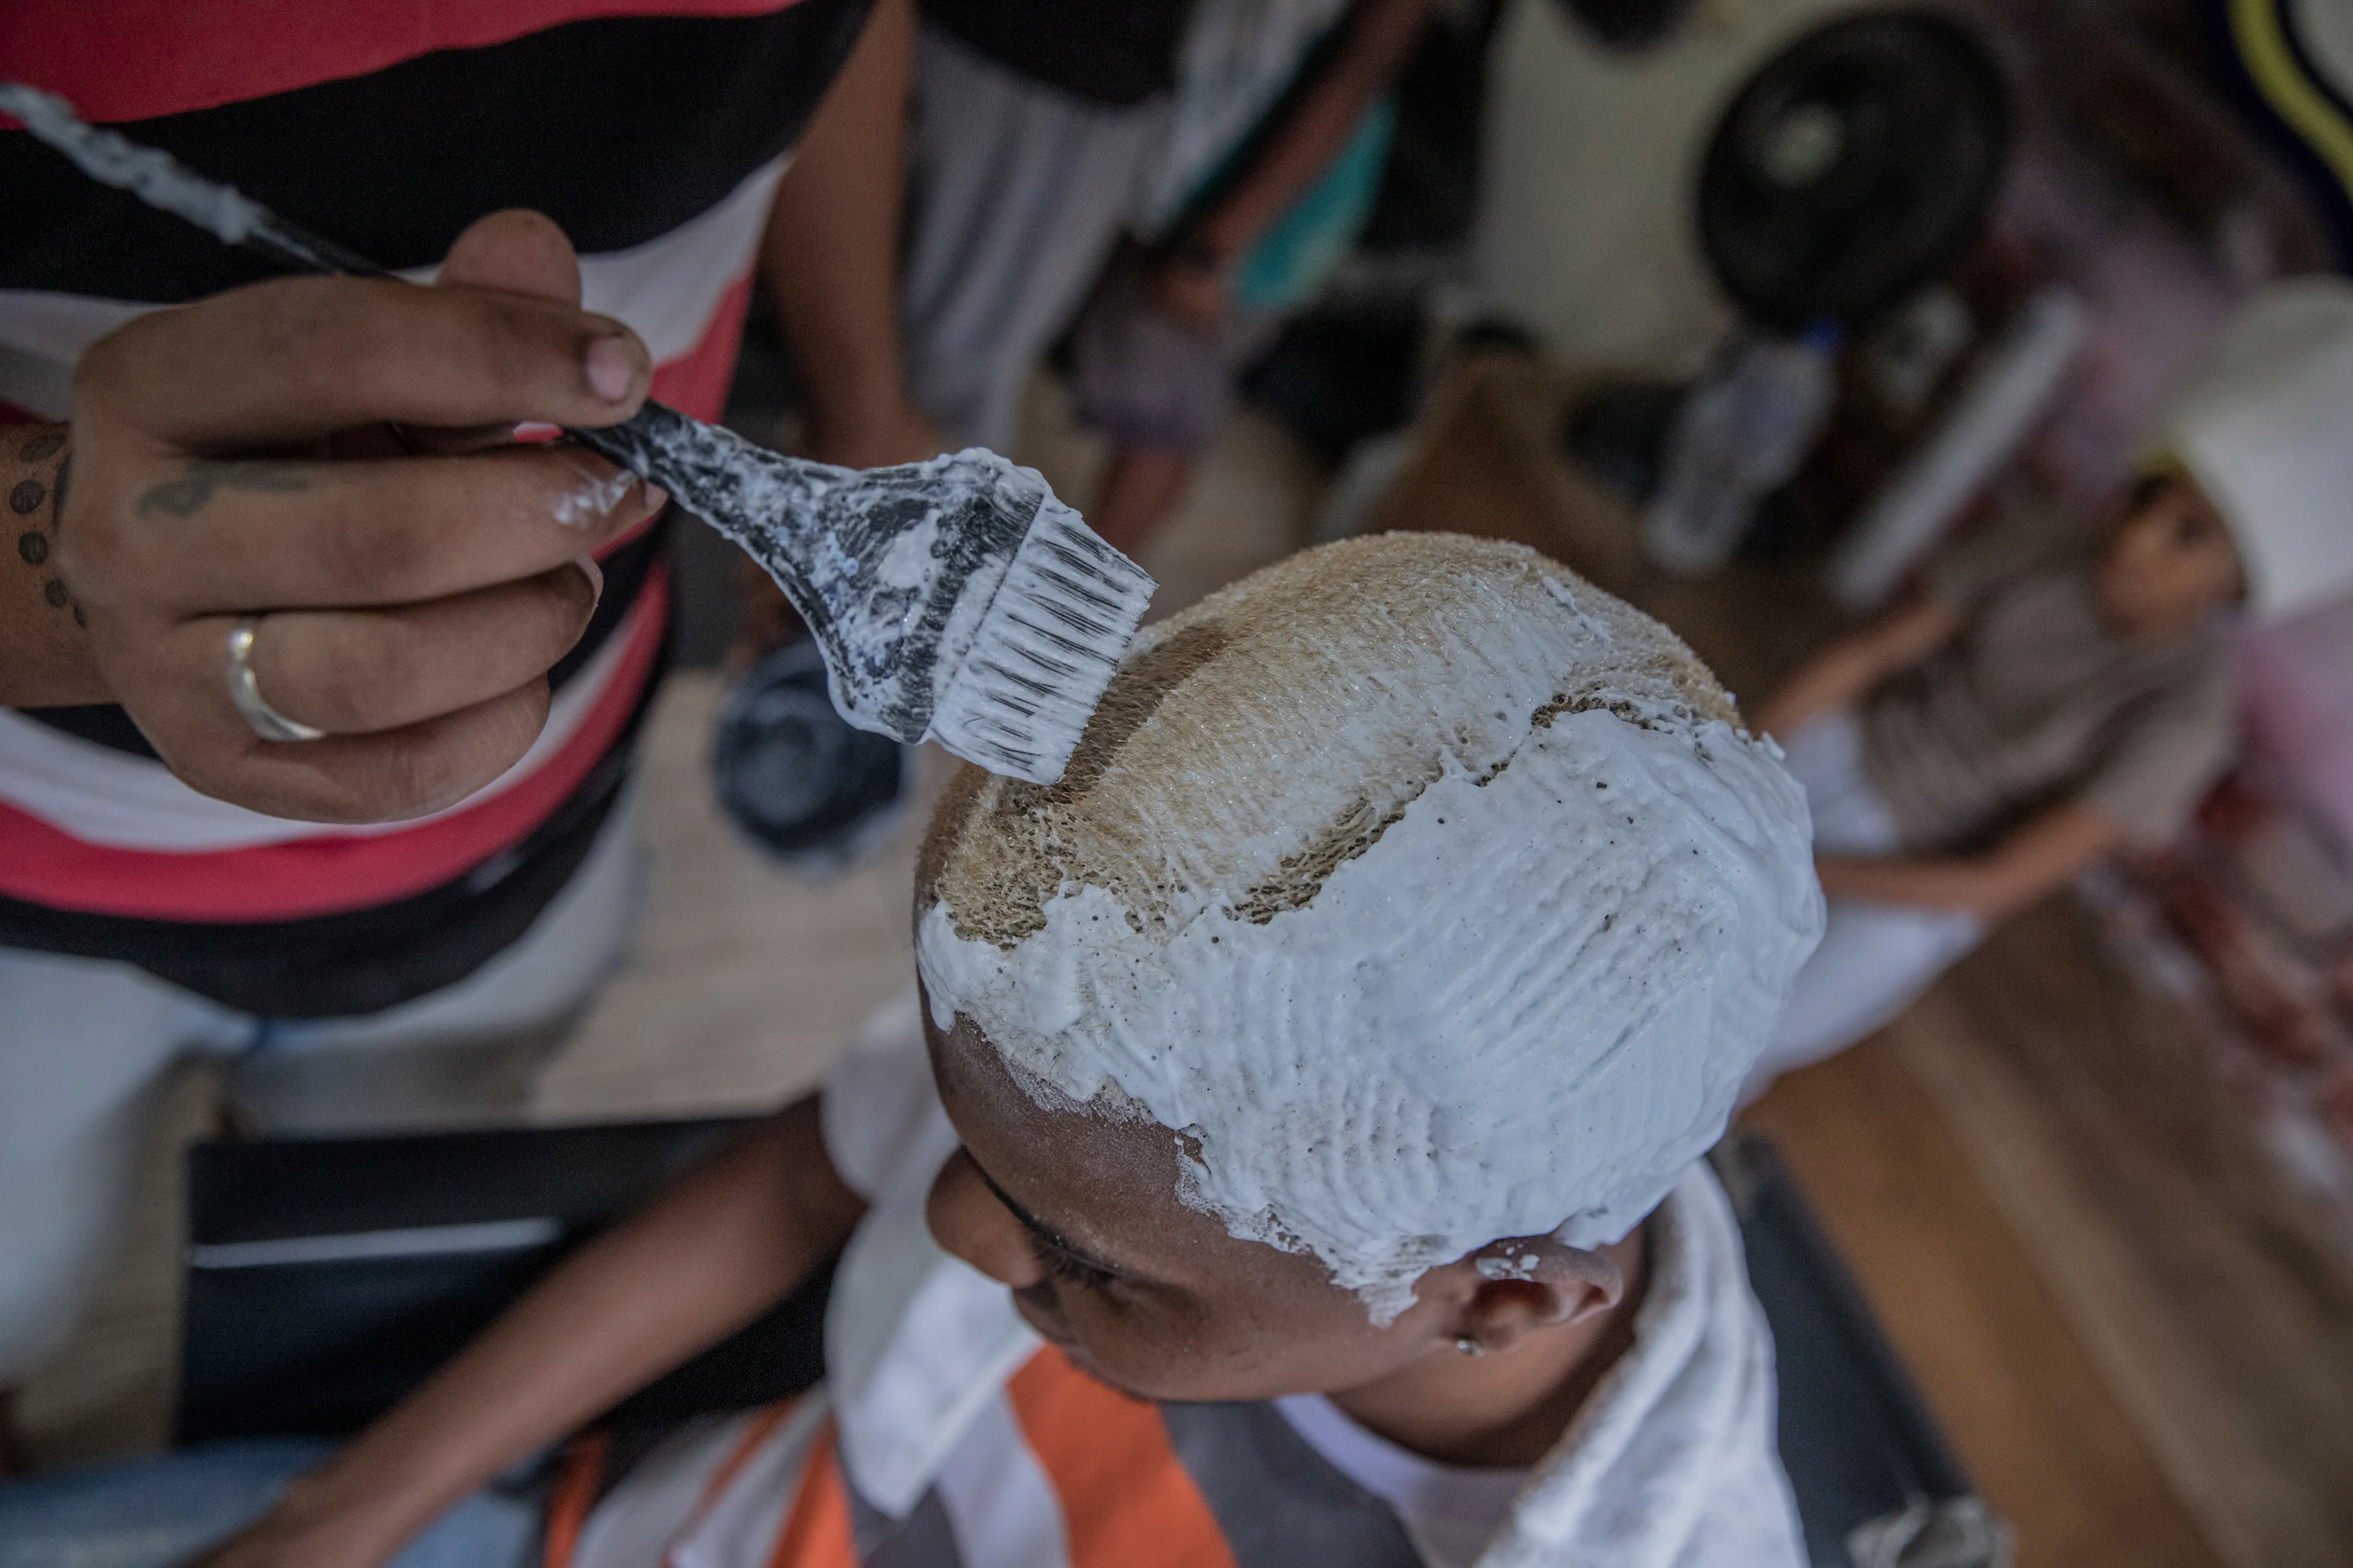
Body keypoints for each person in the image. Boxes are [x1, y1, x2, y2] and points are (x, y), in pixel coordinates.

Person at [0, 533, 1826, 1566]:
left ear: (1500, 1301)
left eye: (1091, 1264)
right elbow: (808, 1175)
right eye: (978, 1145)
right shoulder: (1127, 1051)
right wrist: (347, 1513)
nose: (955, 1232)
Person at [0, 0, 939, 1460]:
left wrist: (858, 383)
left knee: (335, 1273)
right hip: (31, 876)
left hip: (526, 828)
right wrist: (49, 565)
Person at [1742, 278, 2353, 1098]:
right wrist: (1741, 753)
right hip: (1845, 751)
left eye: (2188, 535)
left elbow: (1994, 880)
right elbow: (1872, 653)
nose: (2137, 541)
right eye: (2146, 501)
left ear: (2232, 583)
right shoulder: (2048, 541)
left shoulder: (2185, 713)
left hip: (1921, 878)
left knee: (1742, 1032)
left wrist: (1811, 871)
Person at [1069, 0, 1445, 554]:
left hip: (1246, 211)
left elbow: (1362, 67)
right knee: (1151, 407)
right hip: (1188, 169)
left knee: (1158, 425)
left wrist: (1217, 246)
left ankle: (1073, 617)